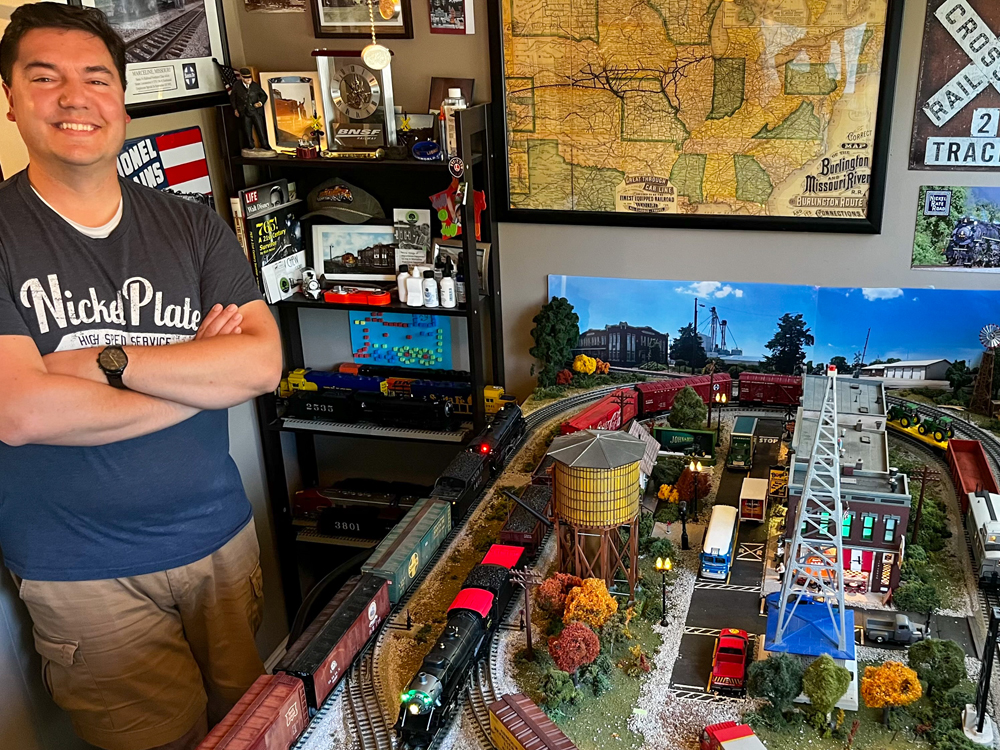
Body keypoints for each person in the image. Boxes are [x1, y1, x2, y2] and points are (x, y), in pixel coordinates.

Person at [0, 4, 283, 750]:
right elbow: (21, 410)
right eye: (45, 78)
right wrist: (193, 373)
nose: (74, 97)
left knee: (253, 728)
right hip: (83, 572)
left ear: (119, 99)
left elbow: (258, 364)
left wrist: (101, 367)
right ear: (10, 99)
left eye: (95, 78)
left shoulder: (190, 224)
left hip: (218, 544)